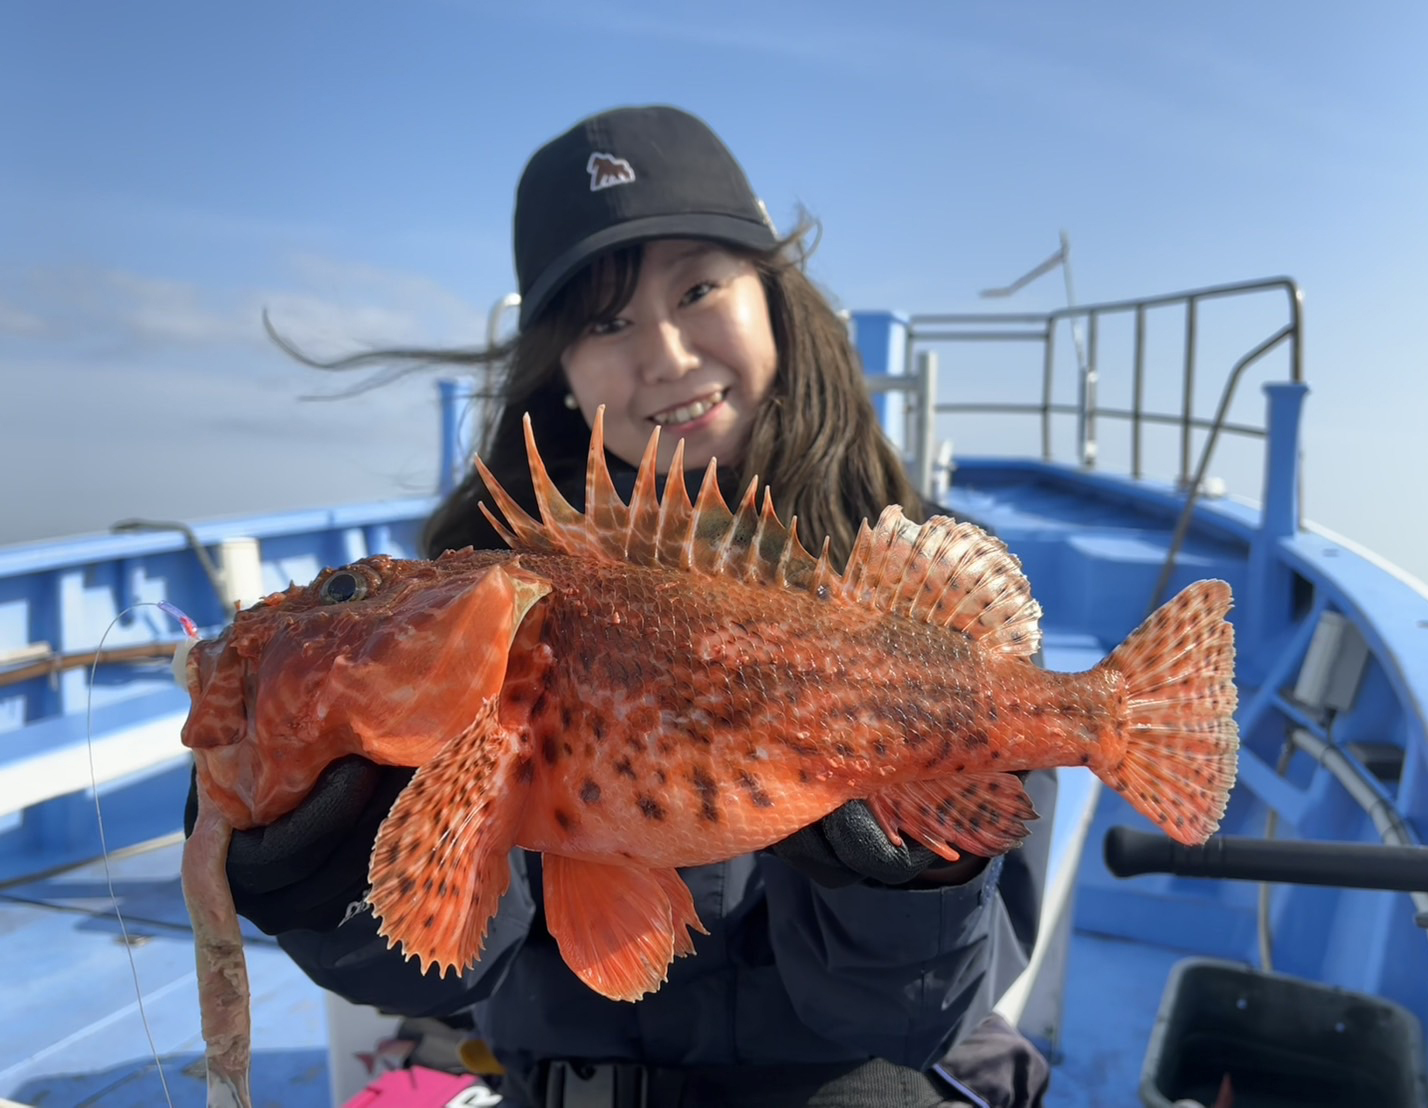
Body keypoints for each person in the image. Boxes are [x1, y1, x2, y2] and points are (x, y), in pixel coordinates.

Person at [196, 104, 1054, 1108]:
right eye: (605, 322)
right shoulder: (479, 592)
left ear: (775, 298)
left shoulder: (914, 614)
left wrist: (908, 883)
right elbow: (441, 966)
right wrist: (324, 878)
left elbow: (925, 1016)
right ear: (556, 369)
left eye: (697, 288)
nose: (668, 355)